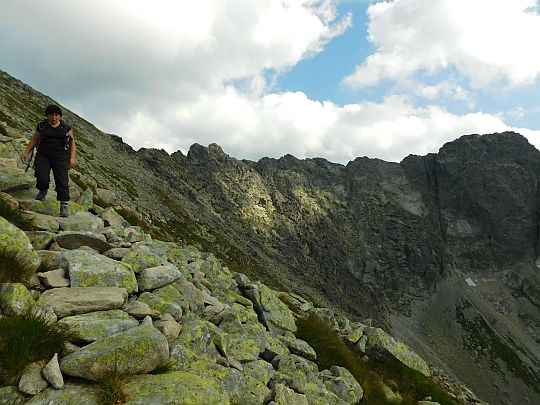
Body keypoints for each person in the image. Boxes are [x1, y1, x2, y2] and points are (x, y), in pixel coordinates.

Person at [20, 104, 77, 217]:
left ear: (60, 116)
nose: (53, 117)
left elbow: (72, 143)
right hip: (43, 155)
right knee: (41, 176)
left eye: (56, 115)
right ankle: (43, 189)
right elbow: (34, 139)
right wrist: (26, 152)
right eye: (51, 115)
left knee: (62, 181)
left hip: (60, 157)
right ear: (47, 116)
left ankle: (63, 204)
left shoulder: (66, 128)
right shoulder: (42, 126)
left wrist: (72, 158)